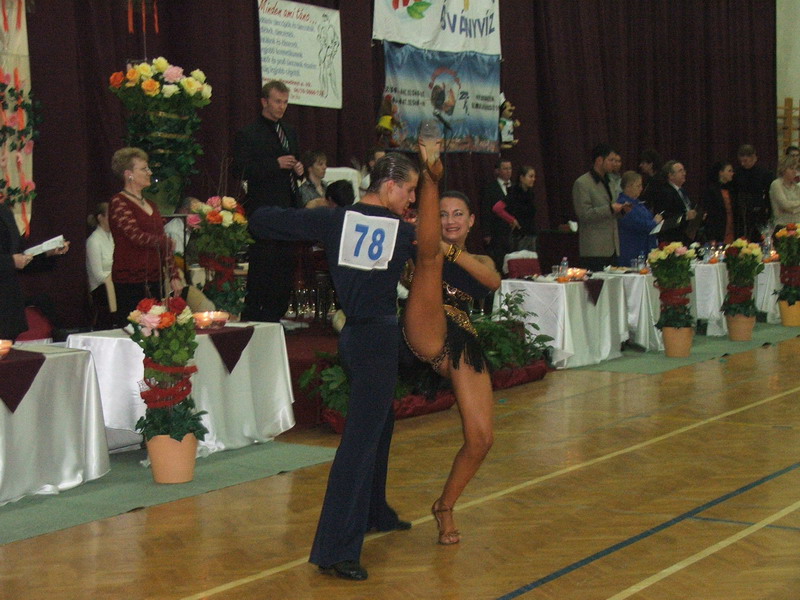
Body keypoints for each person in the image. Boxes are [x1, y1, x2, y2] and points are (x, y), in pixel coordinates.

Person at [248, 153, 419, 581]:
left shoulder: (334, 219)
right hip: (377, 339)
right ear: (390, 186)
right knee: (359, 442)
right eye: (410, 190)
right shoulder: (403, 231)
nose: (412, 198)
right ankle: (336, 550)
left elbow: (265, 221)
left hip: (354, 337)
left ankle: (374, 512)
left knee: (379, 426)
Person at [403, 177, 500, 546]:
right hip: (422, 324)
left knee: (481, 439)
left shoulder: (481, 260)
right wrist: (434, 245)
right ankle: (430, 175)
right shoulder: (417, 248)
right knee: (429, 258)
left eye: (458, 214)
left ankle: (445, 506)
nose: (450, 220)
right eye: (441, 214)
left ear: (471, 221)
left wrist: (450, 251)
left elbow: (493, 281)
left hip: (460, 338)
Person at [232, 80, 303, 322]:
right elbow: (240, 169)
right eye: (277, 101)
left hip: (288, 207)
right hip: (263, 209)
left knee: (285, 265)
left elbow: (296, 162)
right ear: (264, 102)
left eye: (285, 102)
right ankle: (255, 316)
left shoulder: (290, 132)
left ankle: (276, 315)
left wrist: (299, 168)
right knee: (263, 264)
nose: (282, 106)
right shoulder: (249, 133)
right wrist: (275, 164)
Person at [108, 147, 181, 325]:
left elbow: (164, 243)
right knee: (135, 328)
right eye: (144, 169)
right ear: (129, 174)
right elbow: (136, 236)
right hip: (130, 279)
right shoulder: (119, 202)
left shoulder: (151, 204)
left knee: (157, 326)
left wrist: (173, 275)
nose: (149, 172)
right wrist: (165, 241)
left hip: (155, 277)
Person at [1, 202, 70, 340]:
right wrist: (10, 261)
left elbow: (20, 255)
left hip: (7, 307)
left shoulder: (4, 212)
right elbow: (13, 259)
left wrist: (47, 253)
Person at [572, 143, 629, 271]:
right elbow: (584, 214)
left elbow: (612, 210)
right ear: (599, 160)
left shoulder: (610, 181)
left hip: (612, 247)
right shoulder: (582, 183)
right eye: (610, 160)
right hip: (594, 249)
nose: (614, 164)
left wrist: (621, 210)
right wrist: (610, 209)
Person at [615, 171, 662, 267]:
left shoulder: (638, 203)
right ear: (628, 187)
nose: (641, 189)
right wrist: (655, 222)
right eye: (638, 186)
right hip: (632, 250)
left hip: (645, 248)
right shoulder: (623, 204)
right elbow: (637, 224)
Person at [651, 160, 701, 244]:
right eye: (680, 171)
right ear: (671, 176)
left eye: (684, 170)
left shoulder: (682, 191)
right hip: (672, 238)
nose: (684, 173)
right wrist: (685, 216)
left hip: (686, 235)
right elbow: (665, 216)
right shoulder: (665, 192)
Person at [492, 165, 537, 252]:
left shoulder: (530, 193)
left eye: (534, 177)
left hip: (531, 234)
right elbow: (497, 208)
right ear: (522, 178)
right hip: (520, 236)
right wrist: (512, 220)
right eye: (531, 176)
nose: (533, 179)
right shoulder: (514, 193)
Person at [734, 144, 772, 241]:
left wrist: (768, 210)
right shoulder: (737, 173)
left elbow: (768, 193)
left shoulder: (764, 173)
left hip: (759, 211)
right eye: (741, 161)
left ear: (754, 158)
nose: (743, 164)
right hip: (742, 212)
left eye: (745, 161)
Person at [86, 202, 115, 329]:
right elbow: (98, 276)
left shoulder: (114, 237)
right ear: (100, 218)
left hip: (115, 283)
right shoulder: (93, 241)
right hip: (100, 289)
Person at [481, 158, 513, 271]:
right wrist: (487, 233)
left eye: (510, 168)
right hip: (498, 232)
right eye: (505, 168)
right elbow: (486, 211)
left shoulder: (516, 187)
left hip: (514, 232)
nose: (508, 171)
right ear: (497, 171)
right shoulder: (490, 188)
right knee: (500, 261)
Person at [702, 161, 739, 244]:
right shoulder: (712, 191)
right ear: (721, 173)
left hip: (731, 229)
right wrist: (711, 236)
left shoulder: (732, 190)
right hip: (718, 231)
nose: (732, 173)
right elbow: (710, 215)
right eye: (729, 171)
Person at [769, 155, 800, 230]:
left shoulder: (797, 186)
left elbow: (789, 207)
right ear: (783, 169)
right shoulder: (776, 184)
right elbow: (785, 205)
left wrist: (793, 209)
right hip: (782, 226)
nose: (794, 171)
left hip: (798, 225)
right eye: (791, 169)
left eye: (796, 169)